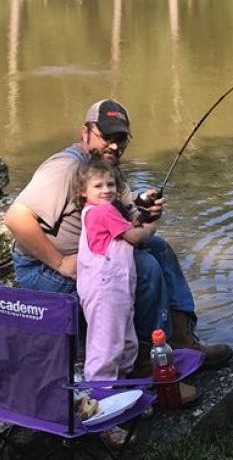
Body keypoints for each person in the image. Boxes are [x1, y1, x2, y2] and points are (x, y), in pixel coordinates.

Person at [4, 99, 233, 384]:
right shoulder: (64, 168)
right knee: (146, 267)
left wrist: (146, 211)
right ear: (85, 132)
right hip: (43, 270)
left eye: (121, 138)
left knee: (159, 248)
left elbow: (128, 221)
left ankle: (182, 339)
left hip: (97, 257)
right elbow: (16, 217)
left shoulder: (108, 169)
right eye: (107, 136)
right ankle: (143, 359)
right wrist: (61, 262)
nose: (114, 145)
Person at [73, 156, 155, 381]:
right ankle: (99, 394)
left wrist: (143, 212)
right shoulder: (103, 212)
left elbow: (124, 230)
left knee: (126, 341)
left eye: (110, 184)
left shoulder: (98, 210)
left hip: (117, 288)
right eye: (98, 186)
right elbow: (135, 237)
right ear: (82, 191)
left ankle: (122, 384)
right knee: (106, 344)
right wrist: (152, 224)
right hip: (106, 289)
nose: (106, 190)